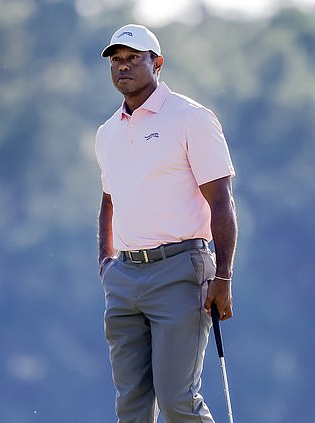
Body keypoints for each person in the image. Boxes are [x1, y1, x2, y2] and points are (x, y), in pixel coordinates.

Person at [95, 24, 237, 422]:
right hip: (124, 277)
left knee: (178, 401)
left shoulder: (190, 118)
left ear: (157, 63)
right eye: (117, 60)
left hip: (180, 270)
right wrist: (106, 262)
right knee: (132, 407)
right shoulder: (107, 132)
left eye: (134, 58)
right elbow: (108, 201)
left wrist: (223, 275)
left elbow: (221, 201)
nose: (123, 67)